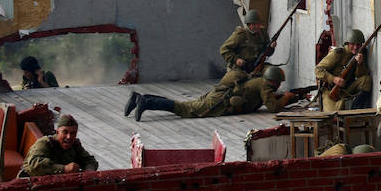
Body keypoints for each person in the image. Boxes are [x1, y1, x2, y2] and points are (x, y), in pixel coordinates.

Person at [125, 66, 297, 121]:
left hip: (220, 95)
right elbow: (273, 107)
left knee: (185, 105)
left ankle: (141, 98)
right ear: (273, 81)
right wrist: (286, 99)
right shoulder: (264, 85)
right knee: (185, 109)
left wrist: (289, 98)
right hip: (221, 100)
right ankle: (146, 102)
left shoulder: (261, 81)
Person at [17, 114, 98, 177]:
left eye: (73, 133)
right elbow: (34, 164)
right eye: (65, 132)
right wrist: (64, 169)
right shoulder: (44, 143)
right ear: (57, 132)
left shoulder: (75, 145)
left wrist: (89, 171)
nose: (69, 137)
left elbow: (89, 160)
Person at [315, 29, 372, 111]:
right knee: (332, 115)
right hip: (330, 90)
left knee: (366, 80)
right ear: (348, 43)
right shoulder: (338, 53)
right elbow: (318, 70)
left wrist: (360, 64)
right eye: (352, 44)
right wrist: (333, 79)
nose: (355, 47)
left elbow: (360, 75)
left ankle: (356, 112)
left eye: (358, 45)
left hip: (347, 88)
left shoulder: (361, 53)